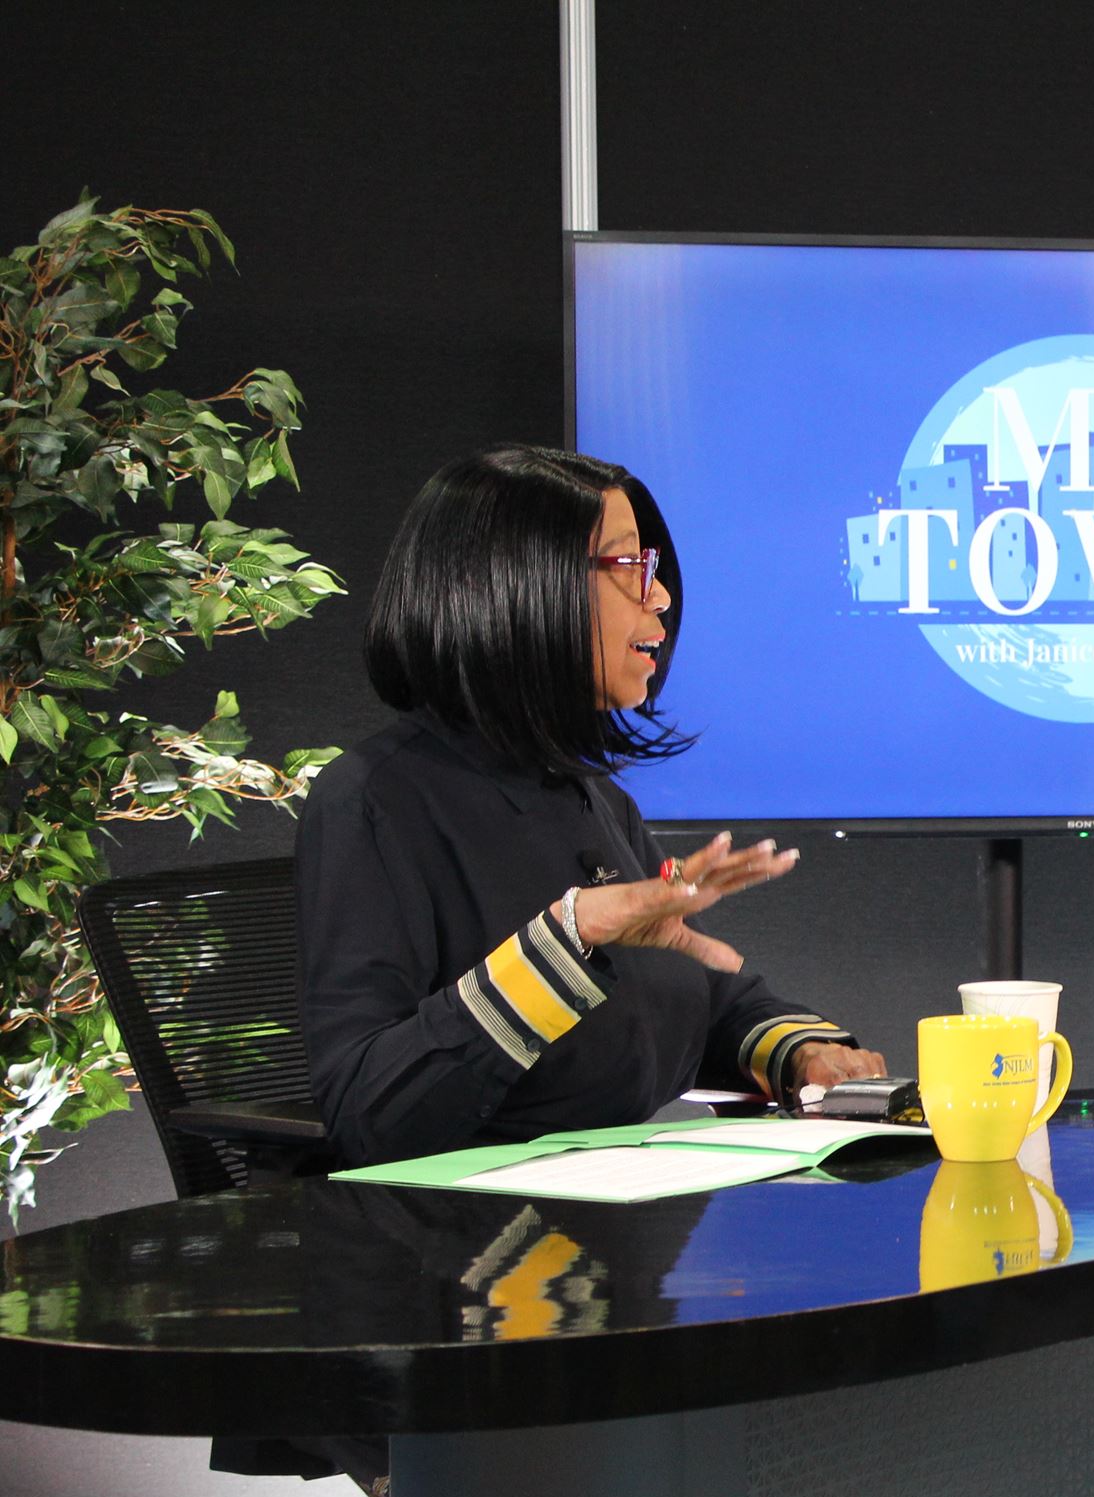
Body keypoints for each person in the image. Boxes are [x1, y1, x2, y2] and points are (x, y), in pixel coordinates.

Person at [297, 445, 887, 1170]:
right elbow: (368, 1114)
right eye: (628, 566)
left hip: (624, 1225)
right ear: (519, 585)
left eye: (655, 567)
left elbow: (694, 1000)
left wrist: (801, 1053)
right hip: (467, 1251)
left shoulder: (589, 794)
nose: (661, 595)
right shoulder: (373, 803)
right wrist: (566, 936)